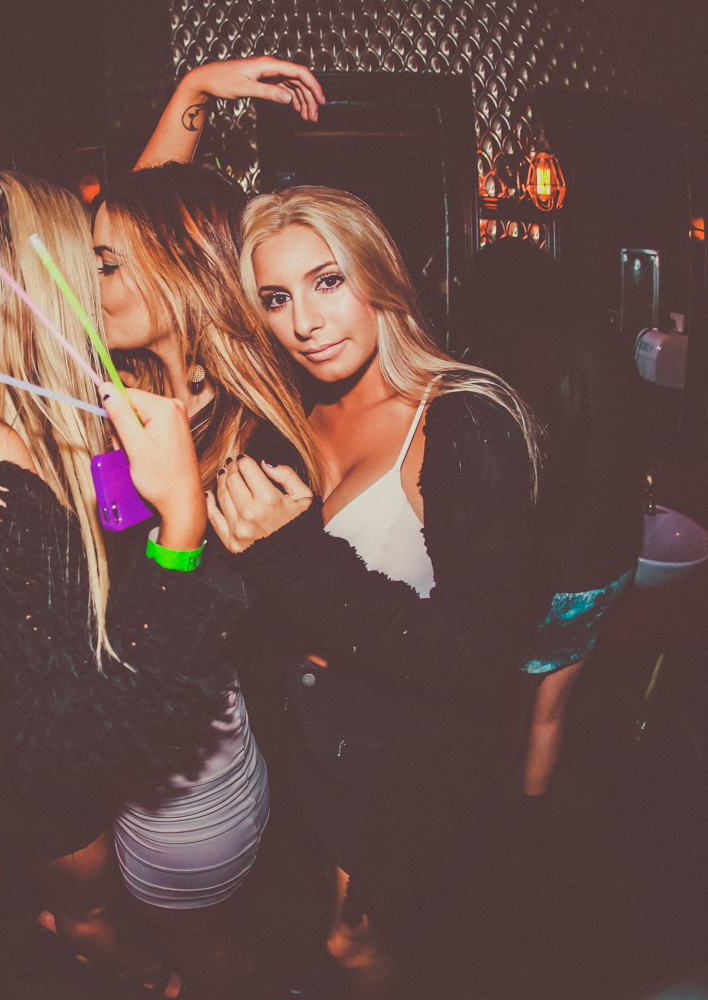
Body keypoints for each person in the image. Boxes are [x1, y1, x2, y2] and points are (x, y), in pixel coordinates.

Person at [0, 169, 249, 996]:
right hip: (43, 787)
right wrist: (182, 528)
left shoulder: (6, 418)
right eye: (89, 260)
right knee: (93, 909)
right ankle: (145, 977)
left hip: (37, 757)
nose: (97, 284)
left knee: (95, 902)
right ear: (28, 280)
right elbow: (81, 732)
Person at [205, 186, 545, 997]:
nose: (305, 322)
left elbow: (481, 657)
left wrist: (289, 553)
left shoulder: (464, 420)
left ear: (380, 274)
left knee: (356, 948)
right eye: (276, 299)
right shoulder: (286, 415)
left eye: (328, 282)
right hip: (301, 750)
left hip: (401, 767)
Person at [90, 159, 322, 987]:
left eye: (105, 264)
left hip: (191, 791)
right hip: (130, 775)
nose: (87, 283)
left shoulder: (258, 453)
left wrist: (180, 516)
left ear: (179, 270)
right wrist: (190, 99)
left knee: (205, 959)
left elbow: (156, 672)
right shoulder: (136, 393)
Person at [451, 237, 644, 800]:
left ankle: (493, 816)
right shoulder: (603, 337)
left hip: (551, 577)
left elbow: (518, 481)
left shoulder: (524, 351)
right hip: (610, 565)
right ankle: (529, 821)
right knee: (552, 709)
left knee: (504, 704)